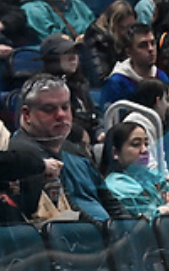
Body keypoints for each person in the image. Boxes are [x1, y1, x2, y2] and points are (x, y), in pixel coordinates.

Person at [10, 74, 131, 222]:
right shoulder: (21, 154)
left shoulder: (76, 150)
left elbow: (109, 201)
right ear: (27, 114)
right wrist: (109, 232)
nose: (61, 115)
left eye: (65, 107)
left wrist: (130, 227)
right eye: (49, 109)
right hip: (75, 238)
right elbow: (67, 211)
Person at [100, 120, 169, 219]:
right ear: (115, 153)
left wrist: (165, 208)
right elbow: (148, 219)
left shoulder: (151, 175)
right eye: (136, 144)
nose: (144, 150)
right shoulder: (116, 184)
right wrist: (168, 208)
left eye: (146, 144)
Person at [99, 23, 169, 109]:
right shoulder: (116, 84)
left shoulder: (162, 77)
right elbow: (109, 118)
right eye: (143, 45)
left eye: (153, 43)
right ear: (129, 52)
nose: (150, 49)